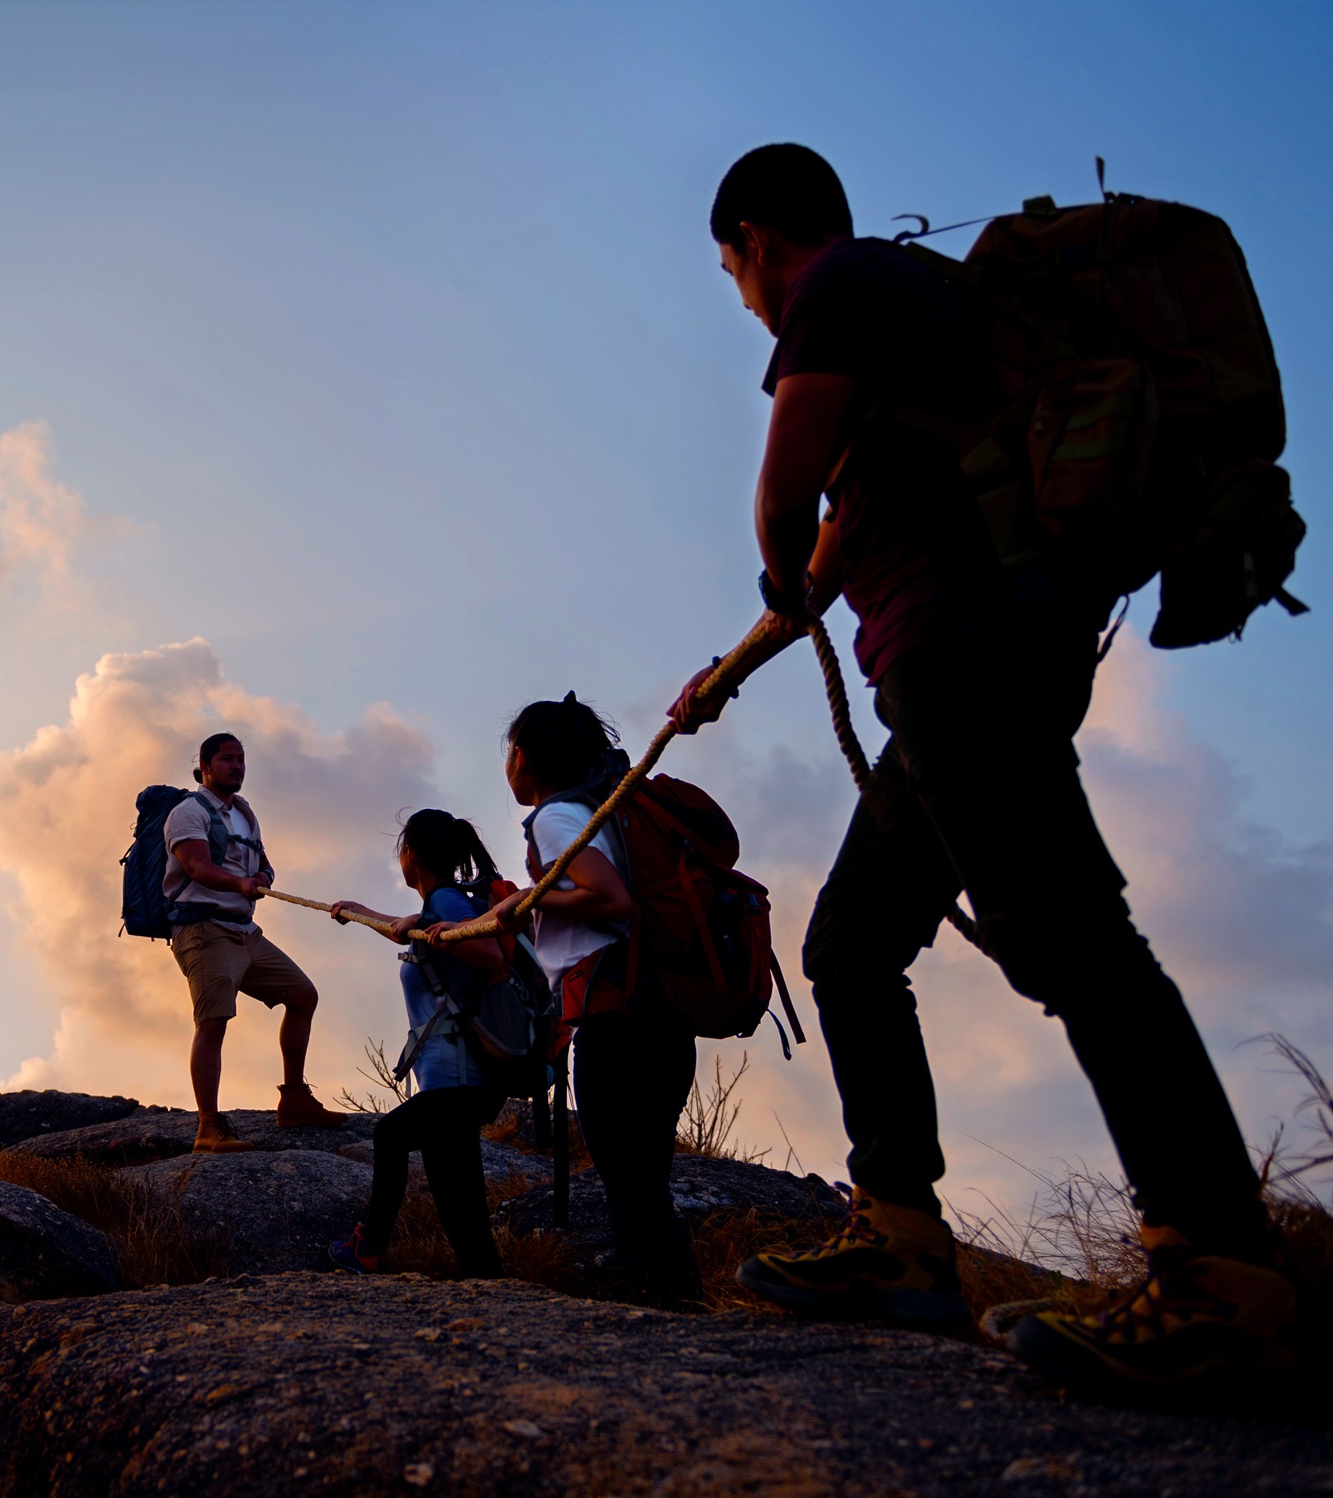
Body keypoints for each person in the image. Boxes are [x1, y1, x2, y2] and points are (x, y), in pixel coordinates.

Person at [670, 143, 1294, 1385]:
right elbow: (842, 541)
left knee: (1068, 936)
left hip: (965, 650)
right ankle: (899, 1240)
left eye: (732, 267)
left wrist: (774, 556)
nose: (740, 293)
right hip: (963, 655)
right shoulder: (920, 325)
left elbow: (792, 492)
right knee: (850, 946)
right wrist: (728, 673)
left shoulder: (843, 283)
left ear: (753, 238)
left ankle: (1221, 1276)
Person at [485, 694, 704, 1308]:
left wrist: (523, 903)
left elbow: (609, 899)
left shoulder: (558, 818)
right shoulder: (608, 811)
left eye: (510, 751)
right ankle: (681, 1309)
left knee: (628, 1184)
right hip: (662, 1012)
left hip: (616, 1015)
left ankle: (662, 1316)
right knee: (647, 1180)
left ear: (522, 757)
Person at [325, 810, 509, 1279]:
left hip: (457, 1076)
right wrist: (359, 912)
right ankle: (371, 1248)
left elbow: (489, 951)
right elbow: (403, 928)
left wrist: (447, 939)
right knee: (408, 1151)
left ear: (412, 856)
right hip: (452, 1079)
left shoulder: (447, 903)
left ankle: (484, 1289)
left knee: (457, 1200)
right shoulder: (439, 905)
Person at [164, 732, 346, 1153]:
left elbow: (261, 864)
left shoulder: (244, 813)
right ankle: (208, 1126)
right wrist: (239, 882)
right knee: (213, 1023)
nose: (237, 766)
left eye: (241, 759)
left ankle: (295, 1099)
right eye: (227, 759)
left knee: (302, 995)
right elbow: (195, 866)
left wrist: (262, 878)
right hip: (205, 930)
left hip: (244, 931)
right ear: (205, 767)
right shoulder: (188, 812)